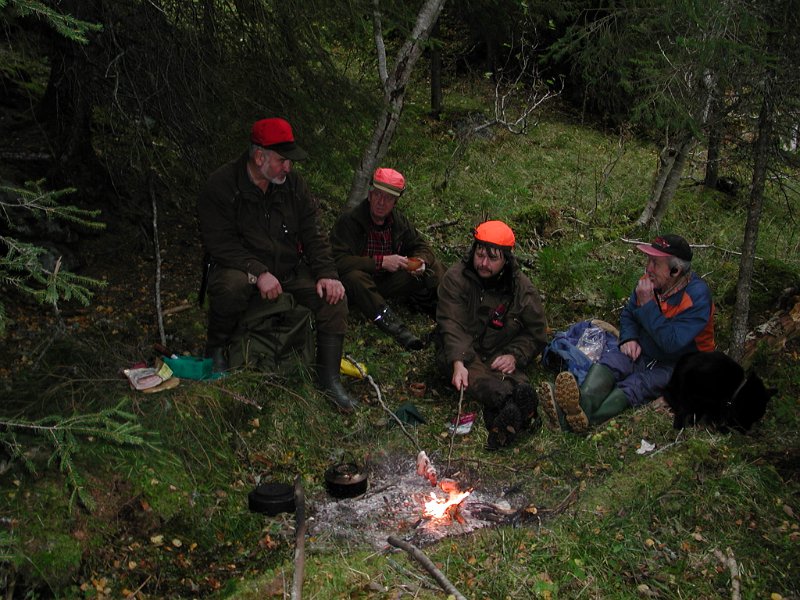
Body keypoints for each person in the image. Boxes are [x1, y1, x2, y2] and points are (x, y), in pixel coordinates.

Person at [197, 117, 357, 412]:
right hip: (240, 267)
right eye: (283, 160)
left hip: (288, 270)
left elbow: (313, 233)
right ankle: (217, 349)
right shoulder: (221, 185)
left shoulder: (292, 185)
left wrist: (327, 273)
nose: (289, 167)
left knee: (334, 298)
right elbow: (220, 244)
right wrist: (258, 272)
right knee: (230, 286)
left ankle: (329, 379)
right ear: (260, 157)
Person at [540, 234, 715, 432]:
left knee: (637, 385)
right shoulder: (650, 282)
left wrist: (648, 304)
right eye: (648, 261)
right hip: (645, 348)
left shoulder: (697, 297)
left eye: (655, 263)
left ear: (675, 270)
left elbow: (671, 343)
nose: (648, 268)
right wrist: (629, 337)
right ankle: (580, 405)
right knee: (613, 360)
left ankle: (577, 416)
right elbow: (629, 314)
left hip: (681, 366)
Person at [435, 220, 548, 448]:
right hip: (459, 349)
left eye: (492, 258)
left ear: (506, 259)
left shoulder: (522, 289)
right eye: (480, 255)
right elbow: (450, 323)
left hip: (498, 351)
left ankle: (511, 413)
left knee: (514, 381)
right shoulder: (455, 278)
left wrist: (515, 355)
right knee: (479, 379)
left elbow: (537, 333)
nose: (483, 263)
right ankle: (513, 407)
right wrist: (457, 361)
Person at [330, 167, 443, 350]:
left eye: (388, 198)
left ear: (395, 202)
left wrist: (421, 262)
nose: (381, 202)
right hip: (359, 287)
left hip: (386, 283)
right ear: (370, 195)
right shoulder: (350, 221)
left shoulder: (397, 222)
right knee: (354, 277)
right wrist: (380, 262)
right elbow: (336, 260)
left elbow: (422, 246)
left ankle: (446, 314)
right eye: (378, 195)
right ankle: (397, 329)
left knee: (434, 266)